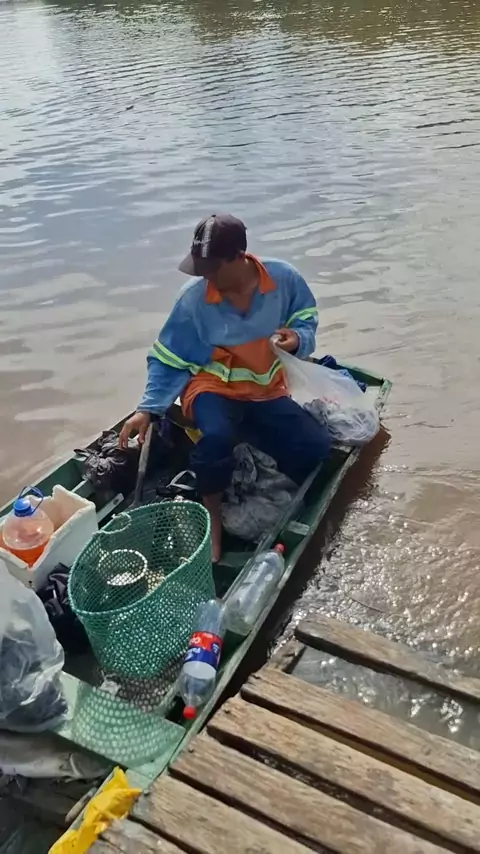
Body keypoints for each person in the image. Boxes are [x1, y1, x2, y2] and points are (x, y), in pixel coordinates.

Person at [119, 214, 331, 560]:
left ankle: (260, 469)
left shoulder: (284, 279)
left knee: (315, 447)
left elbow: (305, 317)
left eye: (213, 268)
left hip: (264, 389)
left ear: (239, 257)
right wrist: (148, 409)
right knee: (217, 437)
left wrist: (297, 338)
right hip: (212, 387)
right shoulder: (193, 300)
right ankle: (214, 523)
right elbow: (168, 357)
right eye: (201, 269)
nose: (206, 277)